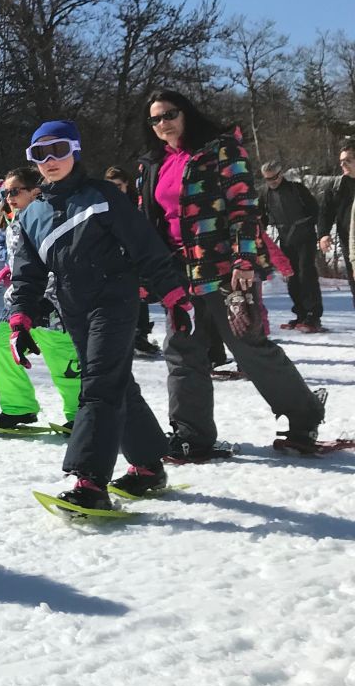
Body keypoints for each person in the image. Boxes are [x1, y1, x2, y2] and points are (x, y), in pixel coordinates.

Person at [8, 121, 189, 510]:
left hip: (115, 298)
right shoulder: (31, 216)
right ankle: (148, 466)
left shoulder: (102, 195)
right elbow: (27, 275)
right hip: (73, 306)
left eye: (58, 150)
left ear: (75, 150)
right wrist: (20, 319)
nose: (50, 161)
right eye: (40, 154)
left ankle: (90, 480)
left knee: (99, 385)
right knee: (116, 383)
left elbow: (145, 245)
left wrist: (174, 295)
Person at [136, 88, 326, 457]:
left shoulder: (220, 149)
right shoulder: (152, 163)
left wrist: (245, 261)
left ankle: (304, 416)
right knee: (182, 351)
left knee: (247, 346)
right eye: (155, 119)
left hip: (222, 270)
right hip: (178, 274)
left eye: (170, 114)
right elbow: (148, 223)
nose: (164, 124)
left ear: (186, 113)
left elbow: (244, 209)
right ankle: (192, 434)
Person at [0, 166, 80, 433]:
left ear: (35, 191)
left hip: (53, 301)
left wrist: (48, 296)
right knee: (3, 350)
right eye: (5, 193)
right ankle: (19, 408)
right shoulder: (13, 219)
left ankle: (80, 413)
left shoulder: (52, 218)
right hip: (18, 300)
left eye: (15, 191)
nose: (8, 198)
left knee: (62, 360)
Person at [258, 161, 323, 332]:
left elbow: (315, 209)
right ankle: (300, 313)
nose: (271, 182)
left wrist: (318, 231)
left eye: (274, 178)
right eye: (267, 179)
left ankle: (313, 315)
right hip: (286, 238)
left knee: (306, 273)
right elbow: (262, 217)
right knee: (291, 276)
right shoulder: (265, 194)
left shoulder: (297, 188)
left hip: (305, 236)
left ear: (281, 174)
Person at [104, 166, 160, 355]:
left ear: (126, 185)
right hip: (112, 256)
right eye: (111, 186)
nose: (115, 189)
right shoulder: (103, 202)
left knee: (139, 293)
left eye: (118, 185)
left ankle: (139, 334)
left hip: (134, 255)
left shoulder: (135, 203)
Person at [317, 140, 355, 308]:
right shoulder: (336, 187)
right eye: (341, 161)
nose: (343, 164)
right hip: (350, 244)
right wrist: (323, 234)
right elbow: (325, 213)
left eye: (348, 160)